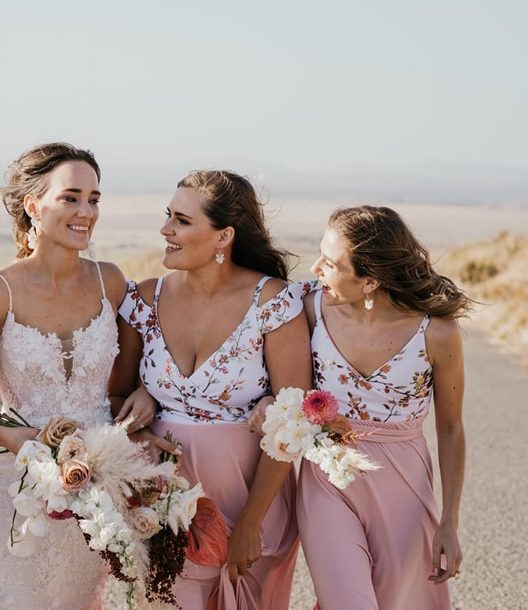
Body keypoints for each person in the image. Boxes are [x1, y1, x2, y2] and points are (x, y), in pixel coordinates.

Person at [0, 142, 154, 610]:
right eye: (70, 197)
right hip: (12, 486)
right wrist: (15, 439)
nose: (86, 211)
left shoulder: (110, 282)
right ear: (33, 206)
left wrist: (145, 397)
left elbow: (132, 380)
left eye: (94, 199)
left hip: (97, 484)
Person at [114, 170, 311, 609]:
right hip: (162, 501)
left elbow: (293, 420)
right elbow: (114, 400)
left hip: (251, 500)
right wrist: (143, 423)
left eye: (182, 221)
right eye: (168, 216)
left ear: (224, 236)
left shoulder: (273, 302)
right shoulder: (142, 300)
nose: (166, 229)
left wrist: (249, 525)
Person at [293, 206, 469, 609]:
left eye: (332, 263)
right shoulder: (310, 310)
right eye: (320, 253)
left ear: (370, 280)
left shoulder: (437, 334)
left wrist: (449, 522)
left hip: (404, 486)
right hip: (328, 479)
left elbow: (451, 430)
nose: (316, 267)